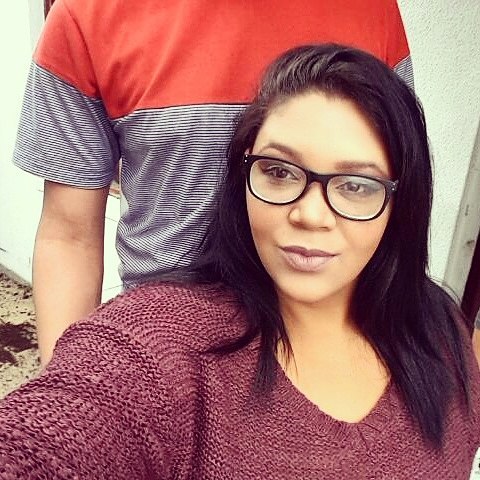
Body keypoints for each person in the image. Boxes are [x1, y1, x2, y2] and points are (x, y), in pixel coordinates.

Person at [1, 44, 478, 479]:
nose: (310, 215)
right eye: (278, 172)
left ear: (401, 202)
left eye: (356, 185)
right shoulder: (160, 346)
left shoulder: (441, 333)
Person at [13, 0, 414, 367]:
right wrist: (67, 382)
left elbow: (389, 186)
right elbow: (69, 235)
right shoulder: (88, 14)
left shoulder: (372, 10)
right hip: (163, 352)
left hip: (325, 358)